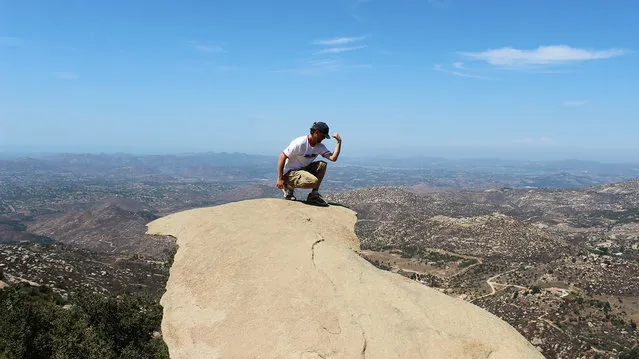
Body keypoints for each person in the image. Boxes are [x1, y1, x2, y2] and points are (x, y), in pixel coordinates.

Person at [276, 122, 342, 205]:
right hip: (290, 172)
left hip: (302, 169)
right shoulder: (300, 143)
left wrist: (339, 142)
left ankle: (313, 195)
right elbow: (282, 157)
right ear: (316, 132)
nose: (323, 138)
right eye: (323, 136)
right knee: (314, 181)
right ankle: (288, 187)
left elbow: (333, 158)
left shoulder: (319, 146)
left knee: (322, 165)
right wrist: (280, 178)